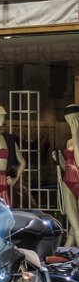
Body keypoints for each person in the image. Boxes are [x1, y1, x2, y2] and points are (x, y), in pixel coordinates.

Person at [59, 104, 79, 246]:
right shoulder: (68, 141)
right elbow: (68, 163)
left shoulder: (75, 138)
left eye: (73, 120)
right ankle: (65, 257)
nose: (70, 124)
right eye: (68, 121)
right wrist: (59, 159)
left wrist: (75, 135)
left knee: (75, 229)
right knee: (75, 227)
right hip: (68, 183)